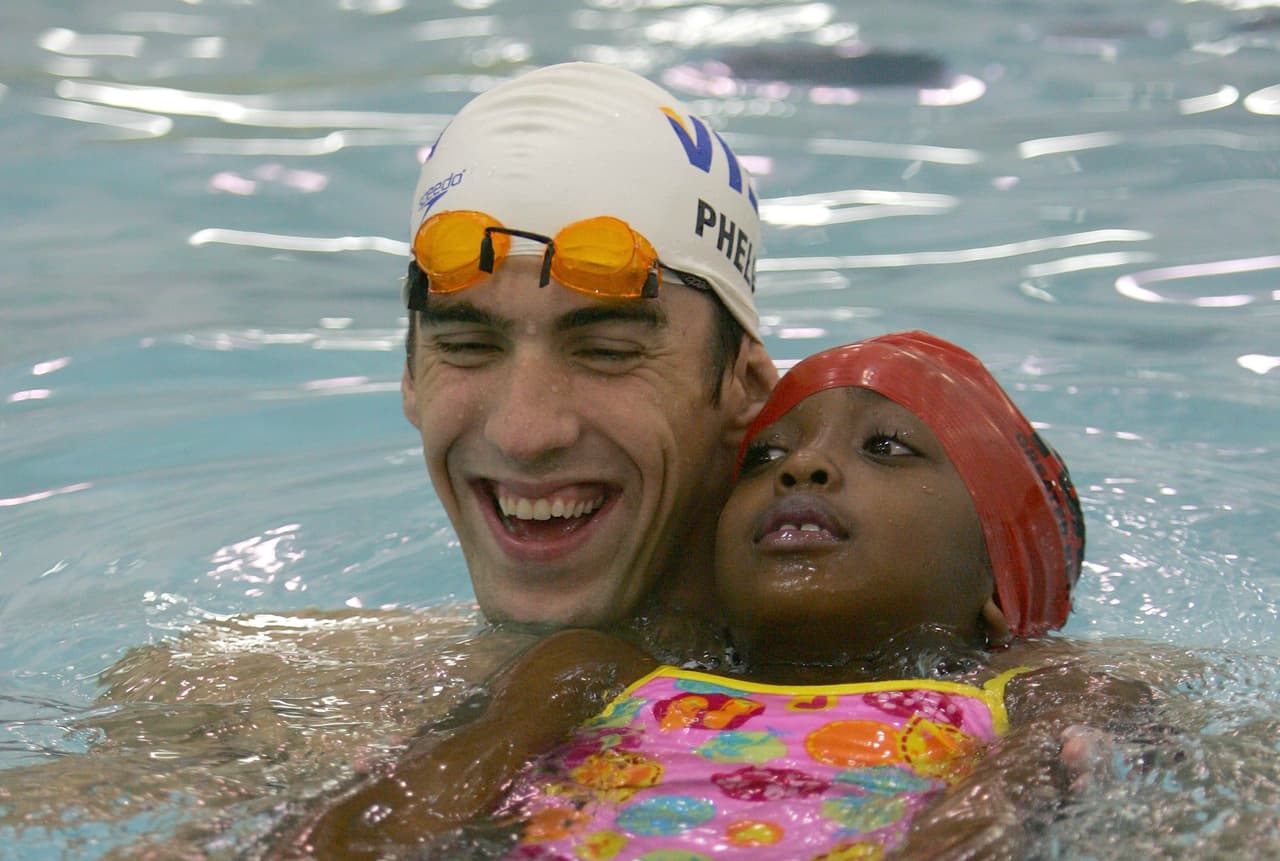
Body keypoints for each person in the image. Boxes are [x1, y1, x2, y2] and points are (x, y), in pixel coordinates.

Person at [278, 332, 1148, 860]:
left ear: (999, 583)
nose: (804, 466)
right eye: (767, 458)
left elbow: (1006, 814)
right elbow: (405, 804)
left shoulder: (1035, 695)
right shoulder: (600, 670)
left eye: (887, 447)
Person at [398, 61, 777, 653]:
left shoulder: (912, 718)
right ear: (411, 378)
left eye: (607, 353)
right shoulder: (271, 699)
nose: (523, 434)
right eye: (467, 348)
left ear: (746, 387)